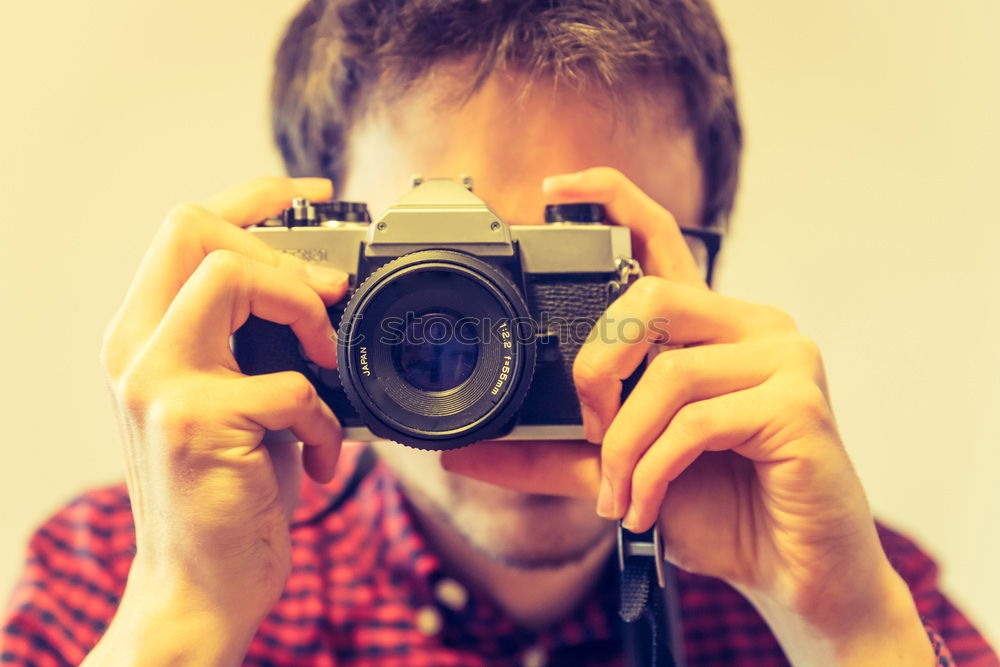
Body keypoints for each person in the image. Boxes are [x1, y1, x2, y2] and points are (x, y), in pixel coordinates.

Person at [2, 1, 997, 665]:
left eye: (574, 258)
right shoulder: (116, 569)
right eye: (431, 278)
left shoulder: (851, 580)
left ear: (698, 268)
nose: (491, 346)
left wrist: (848, 632)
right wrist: (180, 617)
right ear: (300, 263)